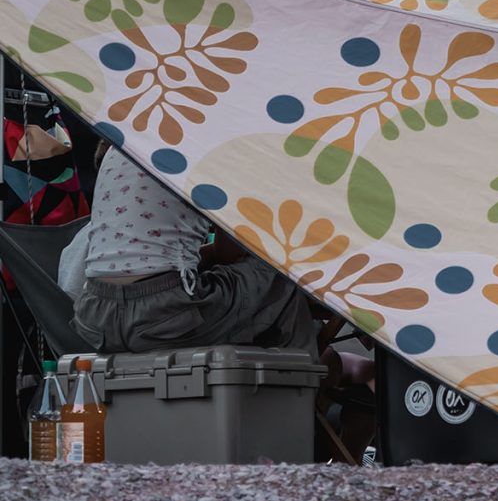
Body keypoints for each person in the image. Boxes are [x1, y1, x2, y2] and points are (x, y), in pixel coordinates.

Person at [64, 146, 314, 354]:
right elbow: (232, 253)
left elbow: (146, 260)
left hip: (94, 316)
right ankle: (308, 390)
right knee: (281, 275)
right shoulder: (206, 145)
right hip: (164, 314)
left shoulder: (121, 143)